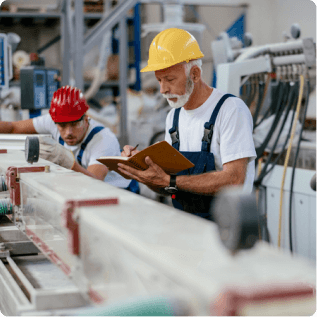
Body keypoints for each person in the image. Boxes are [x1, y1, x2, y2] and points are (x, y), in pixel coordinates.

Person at [120, 28, 256, 220]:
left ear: (195, 74)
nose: (163, 89)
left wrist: (170, 180)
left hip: (227, 229)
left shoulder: (230, 109)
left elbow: (235, 179)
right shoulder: (173, 118)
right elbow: (168, 187)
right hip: (186, 225)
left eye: (170, 79)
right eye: (159, 80)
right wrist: (142, 170)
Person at [0, 85, 132, 190]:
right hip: (83, 186)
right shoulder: (54, 120)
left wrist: (66, 161)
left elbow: (95, 184)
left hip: (117, 193)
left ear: (86, 119)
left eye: (74, 124)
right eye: (62, 126)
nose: (68, 132)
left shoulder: (103, 140)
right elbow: (12, 128)